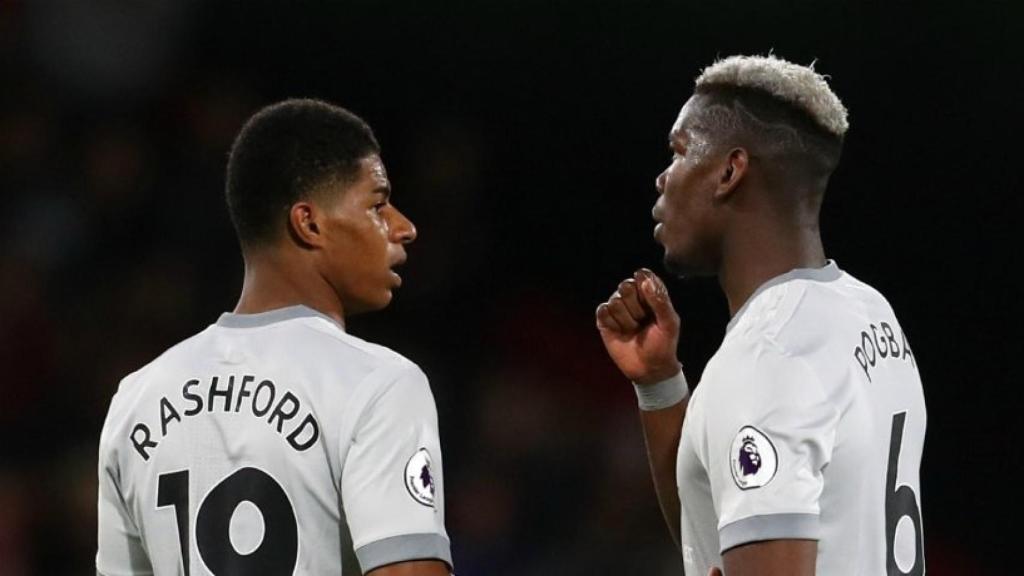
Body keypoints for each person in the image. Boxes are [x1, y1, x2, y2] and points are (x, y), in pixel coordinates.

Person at [596, 55, 926, 575]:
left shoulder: (767, 357)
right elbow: (719, 523)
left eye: (679, 153)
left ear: (729, 171)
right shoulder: (870, 313)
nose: (662, 179)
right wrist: (659, 385)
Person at [97, 99, 453, 576]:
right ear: (309, 223)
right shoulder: (380, 385)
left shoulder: (134, 400)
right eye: (377, 204)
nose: (404, 228)